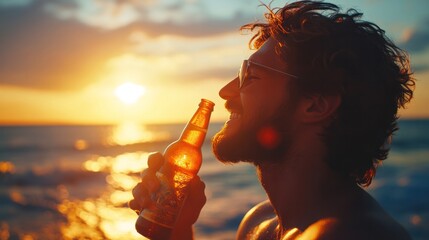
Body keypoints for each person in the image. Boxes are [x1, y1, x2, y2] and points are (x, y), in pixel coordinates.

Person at [129, 1, 415, 239]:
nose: (226, 91)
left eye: (249, 76)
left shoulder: (343, 234)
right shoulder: (260, 221)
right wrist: (178, 228)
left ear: (315, 105)